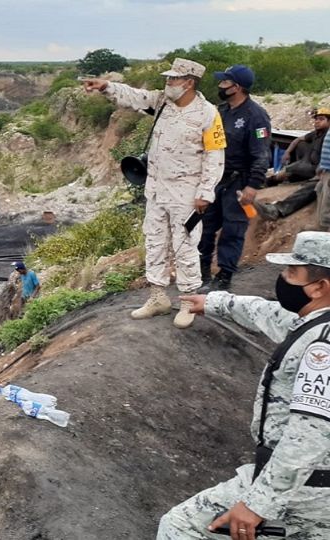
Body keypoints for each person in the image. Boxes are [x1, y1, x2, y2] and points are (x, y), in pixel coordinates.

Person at [160, 231, 330, 539]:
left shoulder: (323, 347)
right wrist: (214, 302)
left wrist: (257, 504)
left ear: (319, 287)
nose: (282, 277)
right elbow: (268, 313)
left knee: (180, 526)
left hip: (306, 489)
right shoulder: (315, 321)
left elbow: (311, 435)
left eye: (292, 272)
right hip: (309, 484)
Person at [84, 58, 226, 329]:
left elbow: (215, 156)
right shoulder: (162, 102)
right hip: (157, 189)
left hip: (186, 193)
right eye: (168, 79)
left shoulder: (208, 114)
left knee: (185, 246)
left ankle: (187, 302)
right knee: (155, 242)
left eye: (173, 79)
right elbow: (135, 97)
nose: (168, 83)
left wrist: (206, 192)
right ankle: (158, 297)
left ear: (189, 83)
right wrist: (106, 86)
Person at [198, 65, 272, 292]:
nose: (220, 86)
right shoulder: (220, 111)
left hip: (238, 182)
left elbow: (262, 154)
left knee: (232, 230)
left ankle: (224, 278)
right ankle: (201, 273)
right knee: (205, 228)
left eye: (224, 82)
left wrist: (252, 186)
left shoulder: (256, 116)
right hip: (215, 179)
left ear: (237, 87)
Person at [266, 108, 328, 186]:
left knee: (288, 172)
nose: (317, 121)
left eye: (321, 119)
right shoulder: (315, 134)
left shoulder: (327, 136)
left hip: (318, 169)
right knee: (285, 173)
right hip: (307, 164)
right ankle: (273, 180)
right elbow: (298, 139)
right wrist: (287, 152)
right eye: (316, 119)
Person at [315, 117, 330, 231]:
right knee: (320, 189)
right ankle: (320, 224)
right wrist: (321, 166)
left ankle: (325, 227)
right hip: (326, 169)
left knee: (327, 201)